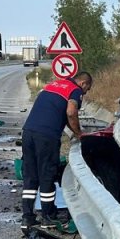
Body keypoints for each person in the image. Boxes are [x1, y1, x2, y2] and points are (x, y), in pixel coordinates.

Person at [21, 71, 93, 228]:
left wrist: (74, 131)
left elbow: (59, 112)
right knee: (47, 174)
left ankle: (27, 216)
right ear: (83, 84)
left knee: (31, 175)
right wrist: (80, 134)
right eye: (86, 90)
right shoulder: (75, 90)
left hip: (28, 133)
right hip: (47, 136)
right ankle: (48, 216)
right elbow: (71, 112)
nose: (85, 93)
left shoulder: (54, 85)